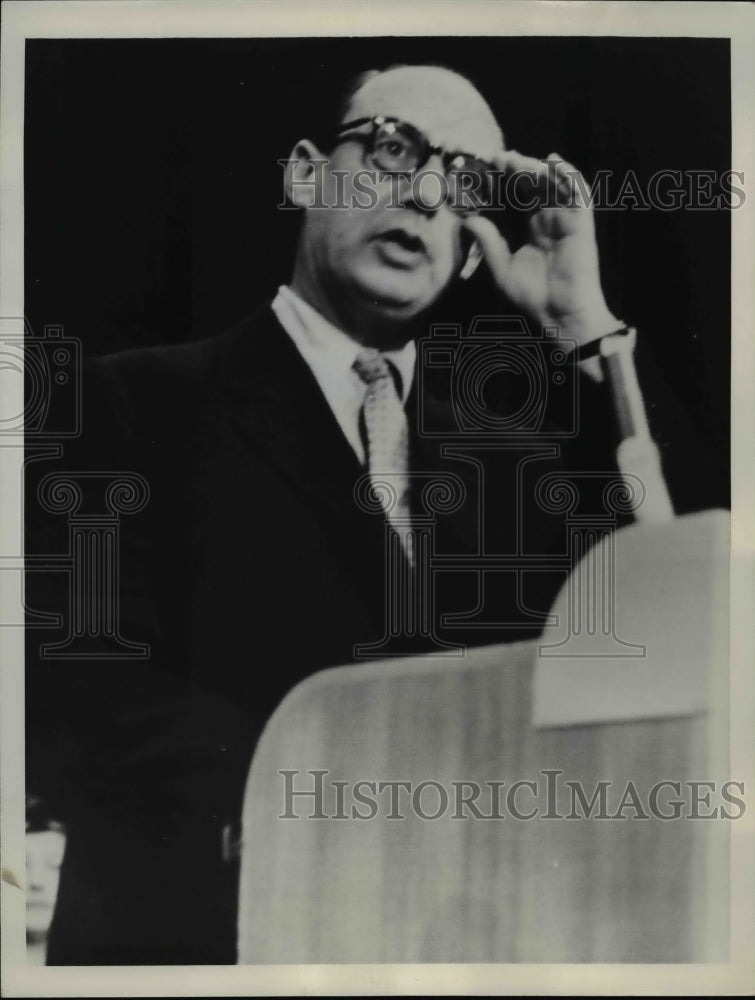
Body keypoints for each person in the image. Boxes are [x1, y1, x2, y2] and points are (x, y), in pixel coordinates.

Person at [25, 63, 723, 965]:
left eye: (467, 180)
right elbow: (78, 691)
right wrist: (372, 798)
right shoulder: (130, 403)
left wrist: (583, 325)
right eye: (396, 149)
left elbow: (701, 585)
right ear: (306, 173)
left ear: (474, 243)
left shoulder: (513, 464)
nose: (429, 193)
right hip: (217, 943)